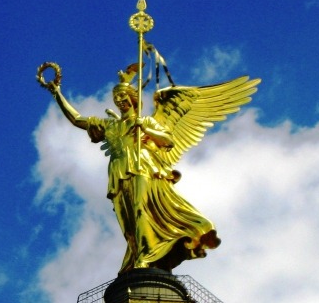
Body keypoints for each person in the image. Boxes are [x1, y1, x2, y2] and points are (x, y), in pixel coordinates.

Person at [46, 64, 221, 273]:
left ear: (132, 97)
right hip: (118, 170)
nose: (119, 100)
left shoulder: (145, 120)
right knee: (128, 223)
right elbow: (77, 119)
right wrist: (57, 93)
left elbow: (168, 141)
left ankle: (147, 257)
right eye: (116, 98)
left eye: (123, 96)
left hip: (142, 164)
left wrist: (145, 128)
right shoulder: (110, 126)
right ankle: (139, 253)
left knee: (140, 207)